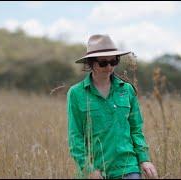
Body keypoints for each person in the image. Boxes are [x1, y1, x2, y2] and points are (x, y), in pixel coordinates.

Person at [67, 34, 158, 179]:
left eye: (114, 61)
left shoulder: (127, 90)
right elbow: (75, 137)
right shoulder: (76, 94)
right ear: (91, 63)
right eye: (103, 63)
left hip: (128, 167)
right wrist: (88, 169)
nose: (109, 67)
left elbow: (136, 129)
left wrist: (144, 159)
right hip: (95, 171)